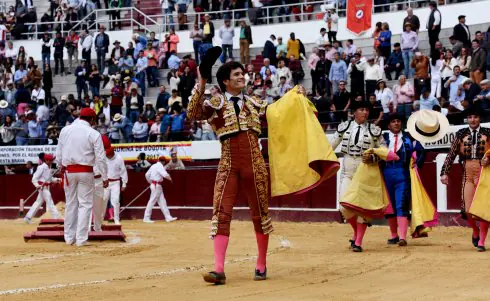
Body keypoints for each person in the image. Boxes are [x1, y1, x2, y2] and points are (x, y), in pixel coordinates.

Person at [188, 54, 273, 283]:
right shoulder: (215, 103)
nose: (241, 77)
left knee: (260, 213)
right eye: (236, 74)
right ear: (225, 81)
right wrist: (202, 82)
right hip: (228, 163)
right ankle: (218, 269)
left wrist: (297, 98)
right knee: (221, 213)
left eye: (242, 73)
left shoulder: (256, 102)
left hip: (254, 162)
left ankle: (261, 264)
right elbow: (193, 114)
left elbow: (280, 115)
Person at [330, 101, 382, 252]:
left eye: (367, 110)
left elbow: (383, 151)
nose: (365, 112)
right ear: (354, 112)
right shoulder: (344, 127)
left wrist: (374, 158)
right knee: (344, 207)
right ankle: (356, 232)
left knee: (362, 209)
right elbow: (331, 145)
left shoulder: (374, 130)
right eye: (361, 109)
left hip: (365, 171)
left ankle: (358, 241)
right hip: (347, 171)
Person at [56, 108, 108, 247]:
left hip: (69, 171)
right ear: (91, 120)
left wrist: (60, 166)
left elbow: (58, 153)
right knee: (85, 204)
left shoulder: (65, 130)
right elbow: (101, 158)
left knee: (71, 204)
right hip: (86, 171)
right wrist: (104, 176)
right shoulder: (93, 133)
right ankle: (81, 239)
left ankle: (69, 238)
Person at [441, 108, 490, 250]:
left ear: (479, 118)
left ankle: (481, 241)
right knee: (467, 209)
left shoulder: (488, 133)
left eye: (475, 116)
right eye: (470, 117)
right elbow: (451, 154)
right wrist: (444, 172)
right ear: (466, 119)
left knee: (482, 208)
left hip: (484, 174)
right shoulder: (461, 134)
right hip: (468, 174)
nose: (473, 120)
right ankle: (476, 229)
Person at [381, 114, 424, 246]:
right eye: (393, 121)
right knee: (390, 205)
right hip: (386, 173)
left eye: (398, 121)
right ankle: (394, 235)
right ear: (389, 125)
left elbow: (421, 151)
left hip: (403, 173)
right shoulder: (382, 138)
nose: (396, 123)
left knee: (401, 204)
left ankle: (402, 237)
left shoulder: (409, 137)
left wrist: (417, 163)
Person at [24, 154, 62, 223]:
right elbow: (34, 178)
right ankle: (56, 217)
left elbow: (50, 178)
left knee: (38, 202)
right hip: (42, 187)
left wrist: (57, 180)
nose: (52, 161)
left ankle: (28, 217)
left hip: (46, 186)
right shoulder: (41, 167)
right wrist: (37, 185)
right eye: (51, 160)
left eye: (52, 160)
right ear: (46, 160)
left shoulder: (51, 166)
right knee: (50, 201)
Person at [143, 156, 177, 223]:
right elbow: (165, 175)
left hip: (155, 185)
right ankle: (146, 217)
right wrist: (170, 179)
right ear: (163, 162)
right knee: (152, 201)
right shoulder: (160, 166)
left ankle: (168, 217)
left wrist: (151, 182)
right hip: (156, 185)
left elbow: (146, 175)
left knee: (162, 202)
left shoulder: (153, 166)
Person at [103, 147, 128, 225]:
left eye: (108, 156)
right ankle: (100, 218)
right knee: (103, 200)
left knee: (116, 201)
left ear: (112, 154)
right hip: (105, 182)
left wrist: (124, 183)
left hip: (115, 182)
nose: (107, 157)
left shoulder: (119, 158)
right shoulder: (104, 156)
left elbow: (123, 171)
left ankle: (116, 219)